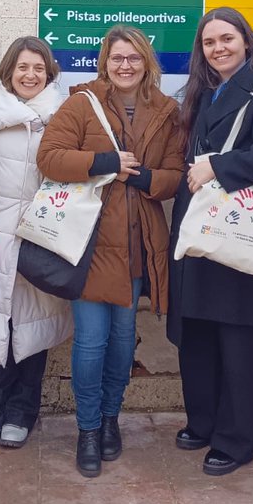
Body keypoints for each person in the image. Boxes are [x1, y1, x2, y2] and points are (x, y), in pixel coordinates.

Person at [36, 25, 185, 478]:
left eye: (133, 58)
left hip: (139, 243)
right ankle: (86, 430)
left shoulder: (168, 110)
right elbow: (49, 156)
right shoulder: (81, 103)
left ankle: (109, 421)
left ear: (146, 63)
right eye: (117, 58)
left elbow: (177, 172)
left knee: (123, 339)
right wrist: (105, 163)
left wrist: (143, 179)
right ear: (105, 62)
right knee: (91, 340)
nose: (125, 65)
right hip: (91, 244)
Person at [167, 8, 253, 477]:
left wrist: (217, 168)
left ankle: (237, 438)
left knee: (238, 340)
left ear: (246, 41)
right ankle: (203, 421)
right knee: (198, 334)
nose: (218, 48)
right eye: (209, 42)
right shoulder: (203, 94)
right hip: (202, 229)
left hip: (239, 231)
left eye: (227, 38)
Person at [0, 36, 73, 450]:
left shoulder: (65, 114)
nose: (30, 75)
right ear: (8, 71)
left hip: (43, 235)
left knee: (33, 328)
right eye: (23, 67)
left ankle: (23, 412)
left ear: (49, 73)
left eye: (39, 68)